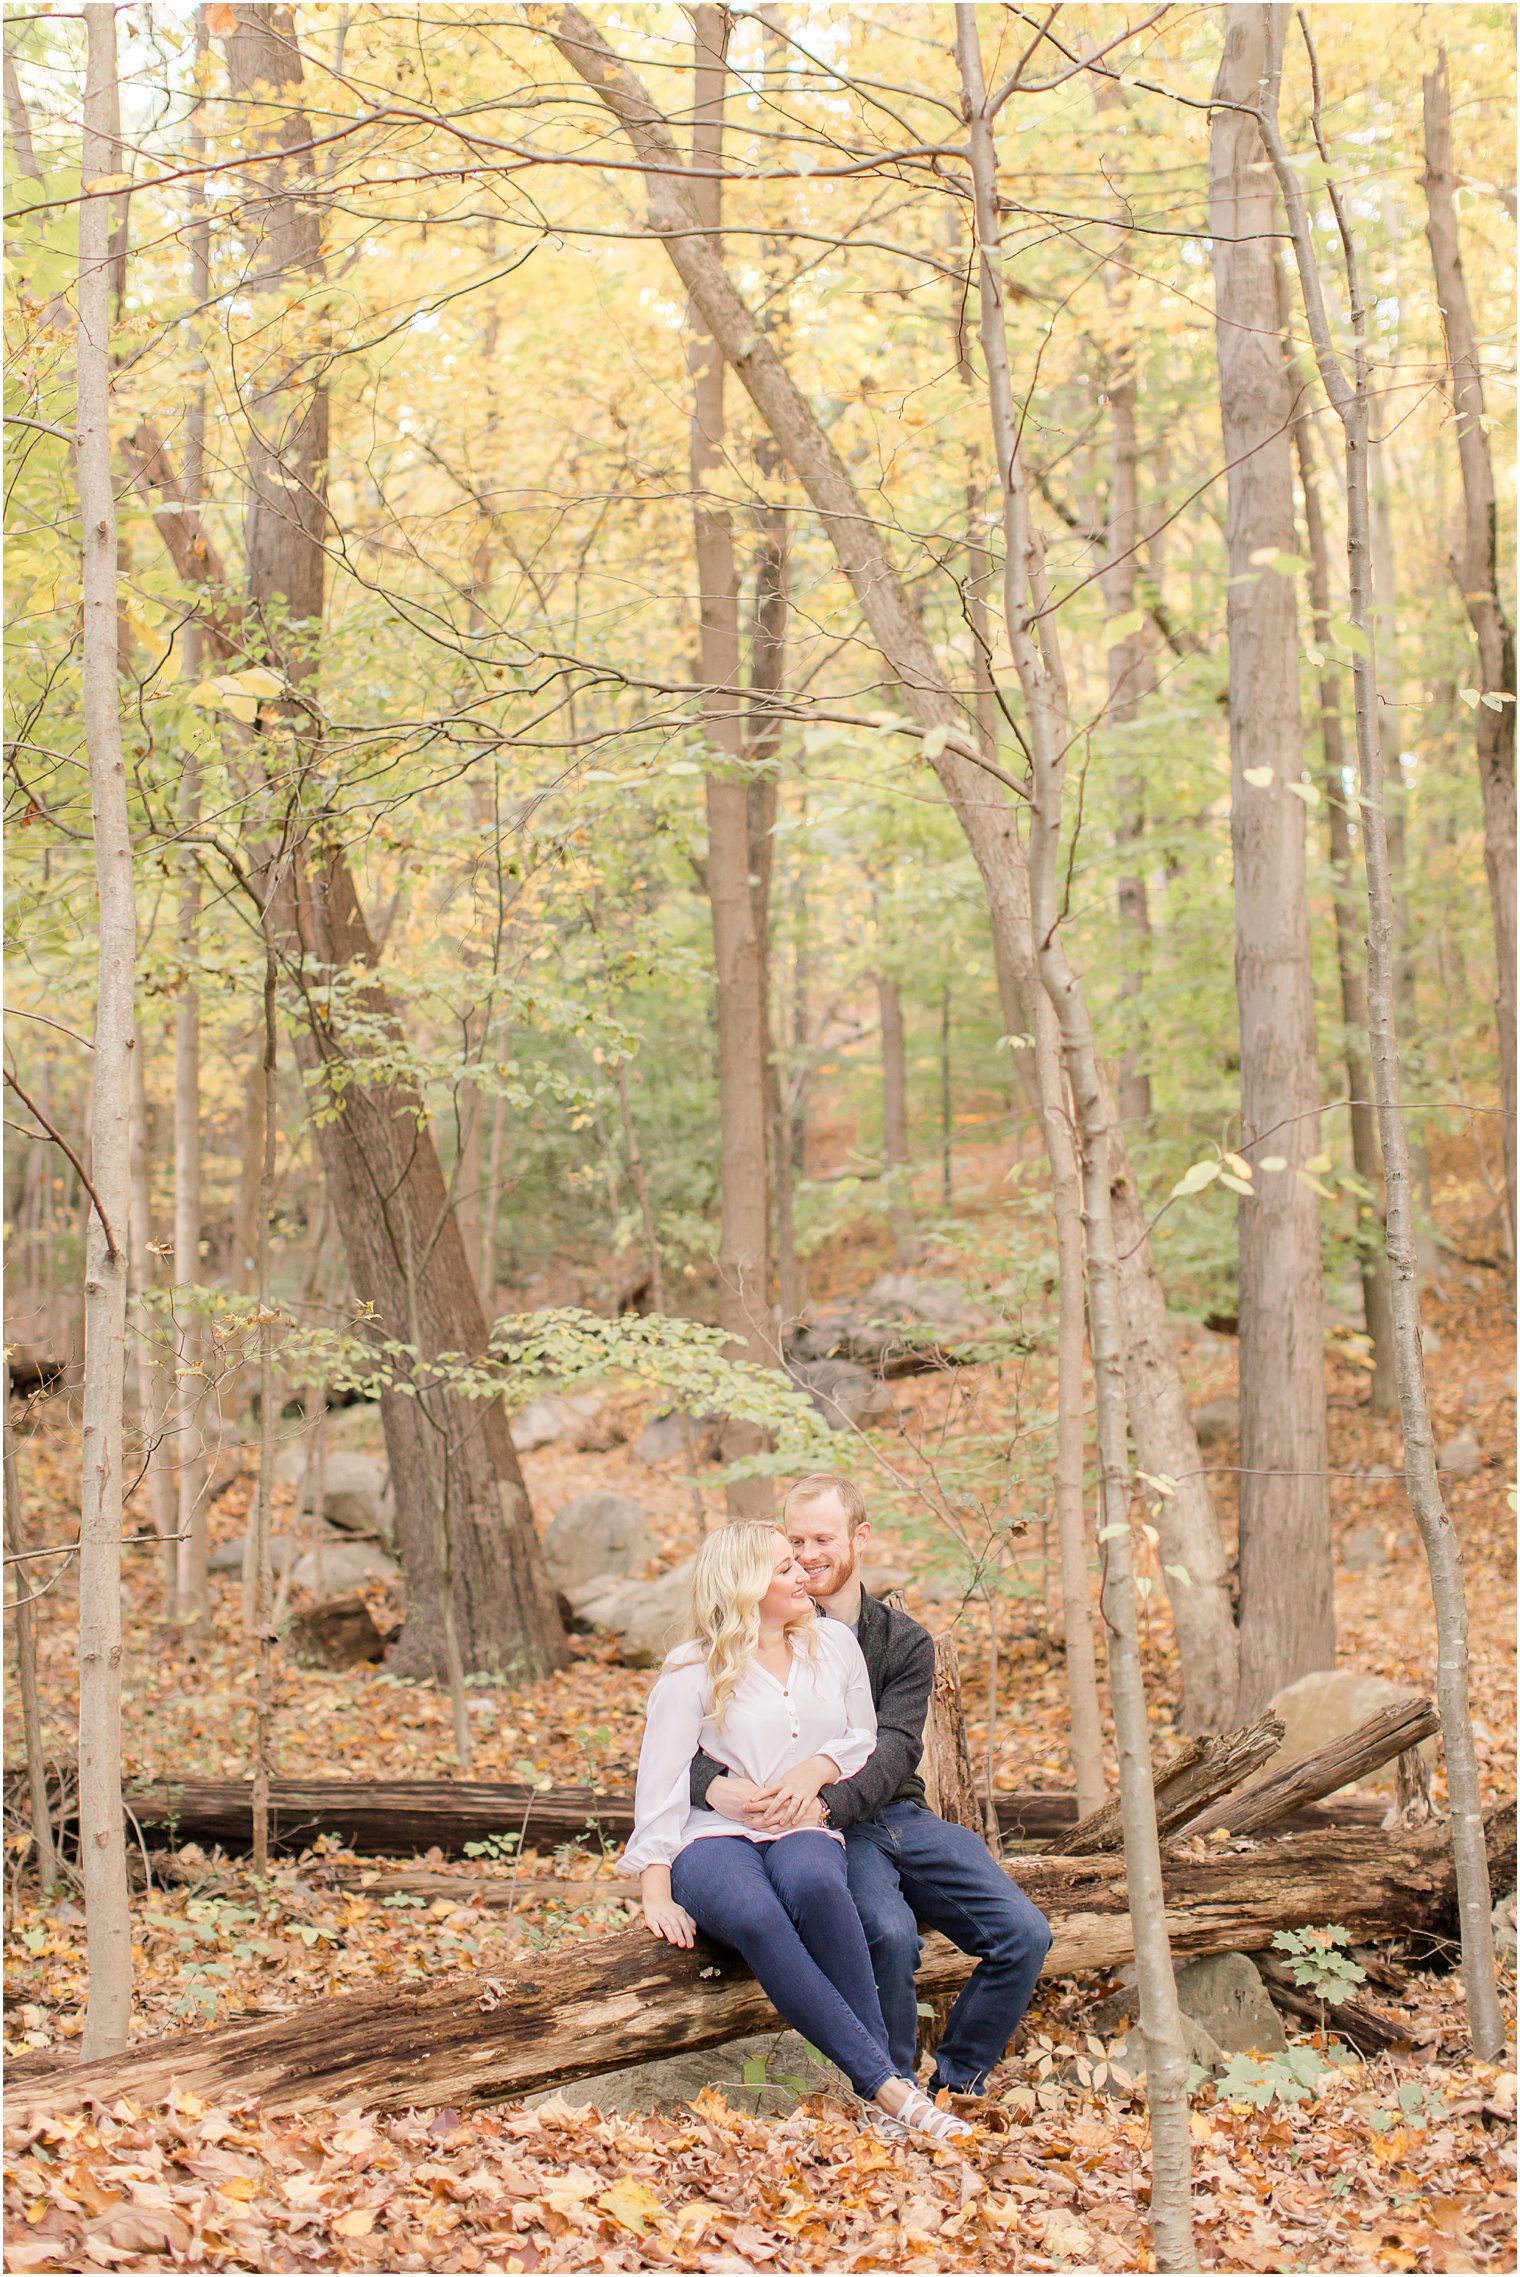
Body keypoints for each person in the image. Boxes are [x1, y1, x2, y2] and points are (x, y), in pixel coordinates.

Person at [691, 1475, 1052, 2101]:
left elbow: (894, 1746)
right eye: (795, 1541)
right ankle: (892, 2094)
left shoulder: (904, 1641)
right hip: (819, 1834)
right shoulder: (748, 1630)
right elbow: (687, 1745)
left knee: (1024, 1933)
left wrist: (824, 1797)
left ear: (859, 1538)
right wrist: (717, 1786)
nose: (807, 1556)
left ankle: (960, 2082)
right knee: (885, 1933)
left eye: (823, 1538)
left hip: (894, 1814)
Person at [625, 1520, 971, 2146]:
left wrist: (816, 1770)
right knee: (757, 1915)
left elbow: (861, 1734)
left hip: (801, 1825)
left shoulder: (832, 1644)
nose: (802, 1574)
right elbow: (662, 1777)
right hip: (710, 1836)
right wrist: (655, 1887)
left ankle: (879, 2093)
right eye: (785, 1568)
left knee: (815, 1885)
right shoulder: (691, 1667)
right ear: (747, 1586)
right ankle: (888, 2088)